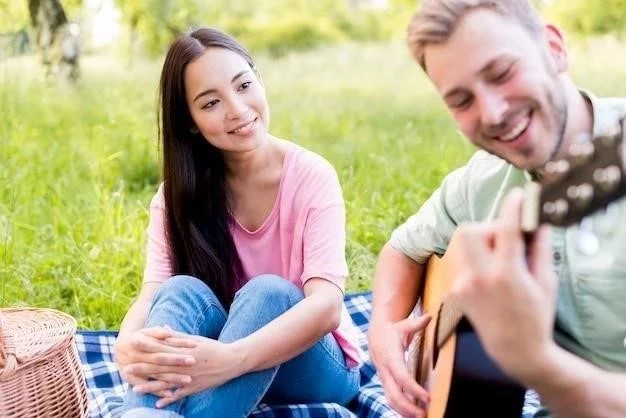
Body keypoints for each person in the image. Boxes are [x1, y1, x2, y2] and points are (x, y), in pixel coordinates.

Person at [367, 1, 626, 417]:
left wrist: (537, 363)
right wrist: (383, 329)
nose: (493, 113)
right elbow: (403, 248)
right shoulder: (481, 182)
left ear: (555, 48)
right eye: (461, 100)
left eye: (502, 73)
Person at [113, 27, 363, 418]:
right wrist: (126, 342)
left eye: (243, 85)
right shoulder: (175, 196)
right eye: (210, 102)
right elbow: (153, 294)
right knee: (181, 291)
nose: (237, 109)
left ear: (259, 80)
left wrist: (232, 359)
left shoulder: (312, 176)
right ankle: (146, 413)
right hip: (221, 354)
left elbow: (327, 307)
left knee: (270, 294)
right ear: (191, 121)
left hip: (313, 363)